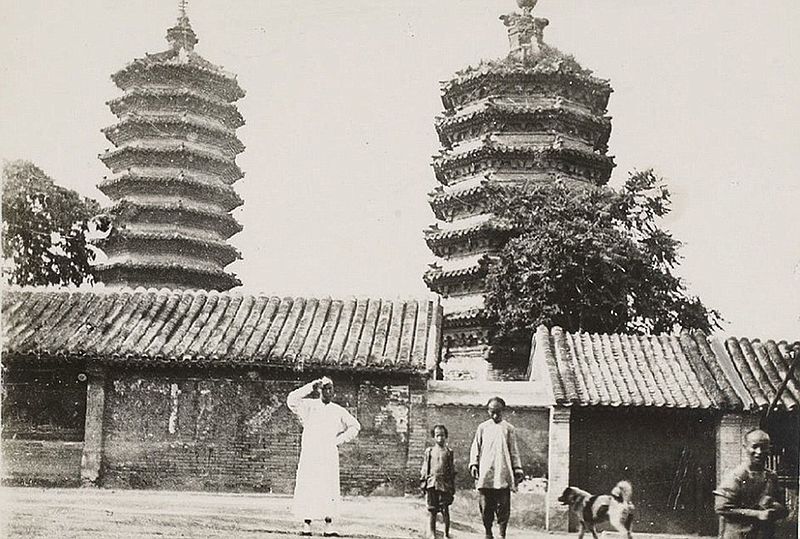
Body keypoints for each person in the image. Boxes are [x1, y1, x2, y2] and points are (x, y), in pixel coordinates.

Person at [287, 377, 361, 537]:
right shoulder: (308, 406)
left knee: (328, 487)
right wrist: (310, 387)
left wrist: (337, 440)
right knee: (308, 486)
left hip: (328, 454)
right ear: (319, 391)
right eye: (325, 389)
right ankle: (307, 526)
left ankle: (328, 527)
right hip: (311, 454)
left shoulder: (338, 410)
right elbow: (291, 400)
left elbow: (355, 426)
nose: (328, 392)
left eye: (331, 389)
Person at [714, 428, 788, 539]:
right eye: (754, 447)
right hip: (739, 535)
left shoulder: (771, 476)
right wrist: (757, 514)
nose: (759, 452)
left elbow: (784, 511)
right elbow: (721, 508)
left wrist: (774, 505)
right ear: (745, 448)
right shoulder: (736, 476)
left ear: (769, 449)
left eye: (763, 447)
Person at [469, 397, 524, 539]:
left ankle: (502, 534)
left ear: (503, 411)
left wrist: (517, 469)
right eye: (492, 412)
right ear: (488, 411)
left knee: (503, 507)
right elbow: (476, 447)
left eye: (498, 412)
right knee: (486, 507)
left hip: (503, 473)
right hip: (486, 473)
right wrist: (474, 464)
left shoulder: (509, 429)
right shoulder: (482, 428)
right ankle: (488, 533)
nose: (495, 415)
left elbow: (514, 451)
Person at [420, 424, 456, 539]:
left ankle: (446, 533)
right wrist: (423, 482)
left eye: (442, 435)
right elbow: (425, 467)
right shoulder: (429, 451)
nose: (440, 438)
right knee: (432, 510)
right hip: (432, 483)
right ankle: (432, 533)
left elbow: (451, 470)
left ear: (446, 436)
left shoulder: (449, 452)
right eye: (437, 435)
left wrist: (451, 486)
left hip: (444, 484)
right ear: (434, 437)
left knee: (445, 509)